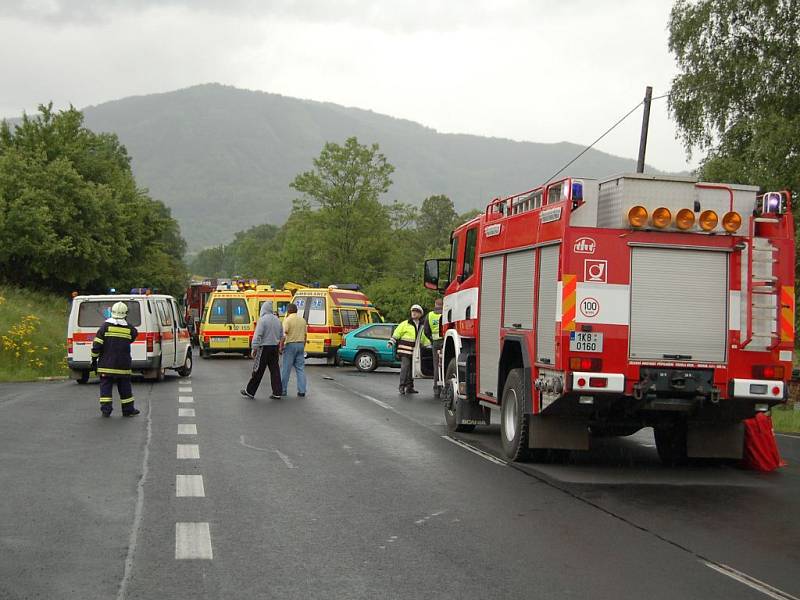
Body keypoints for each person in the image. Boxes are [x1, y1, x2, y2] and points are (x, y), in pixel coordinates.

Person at [91, 301, 139, 417]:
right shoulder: (129, 328)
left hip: (106, 365)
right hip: (123, 365)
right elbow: (134, 335)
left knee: (106, 387)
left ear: (111, 312)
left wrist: (93, 360)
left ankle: (106, 410)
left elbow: (97, 345)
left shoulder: (105, 327)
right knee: (125, 387)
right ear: (125, 314)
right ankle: (128, 409)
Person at [241, 300, 284, 400]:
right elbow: (282, 335)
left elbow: (258, 335)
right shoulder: (277, 320)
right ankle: (277, 392)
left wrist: (254, 348)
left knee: (258, 370)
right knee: (275, 370)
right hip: (274, 347)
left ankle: (250, 391)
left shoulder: (263, 320)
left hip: (264, 348)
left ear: (263, 309)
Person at [389, 304, 424, 395]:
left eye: (416, 312)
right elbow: (397, 334)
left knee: (412, 369)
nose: (414, 313)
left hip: (415, 351)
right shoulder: (405, 324)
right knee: (405, 368)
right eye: (413, 311)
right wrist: (391, 342)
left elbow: (423, 337)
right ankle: (402, 386)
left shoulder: (422, 325)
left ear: (420, 314)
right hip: (405, 350)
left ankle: (409, 387)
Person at [281, 302, 308, 397]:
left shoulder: (287, 320)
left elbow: (284, 335)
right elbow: (305, 335)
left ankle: (283, 390)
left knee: (286, 369)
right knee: (300, 369)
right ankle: (302, 390)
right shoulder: (302, 320)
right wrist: (303, 345)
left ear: (288, 311)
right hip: (300, 345)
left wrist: (281, 347)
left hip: (290, 345)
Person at [422, 297, 444, 398]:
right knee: (445, 365)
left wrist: (431, 339)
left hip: (435, 343)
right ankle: (445, 388)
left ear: (435, 305)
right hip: (446, 341)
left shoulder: (429, 315)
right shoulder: (446, 314)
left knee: (436, 366)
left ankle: (436, 389)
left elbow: (426, 331)